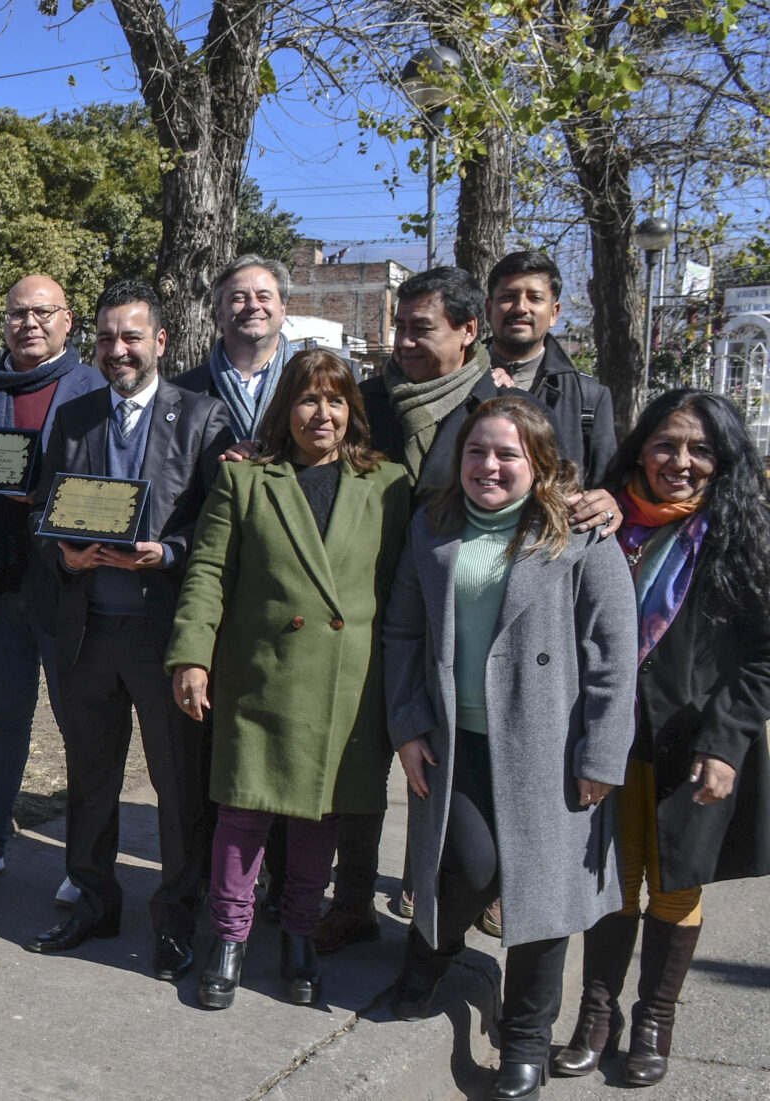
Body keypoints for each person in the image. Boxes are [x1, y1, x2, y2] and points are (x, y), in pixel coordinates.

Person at [321, 266, 624, 955]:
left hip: (468, 613)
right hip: (366, 608)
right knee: (365, 764)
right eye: (399, 327)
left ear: (467, 331)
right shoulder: (367, 401)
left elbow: (579, 481)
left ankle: (469, 897)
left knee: (463, 772)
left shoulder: (509, 405)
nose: (405, 341)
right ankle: (354, 898)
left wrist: (608, 501)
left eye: (421, 329)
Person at [382, 395, 637, 1100]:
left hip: (551, 748)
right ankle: (431, 952)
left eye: (507, 454)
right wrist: (407, 725)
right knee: (469, 864)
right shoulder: (433, 527)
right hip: (456, 741)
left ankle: (525, 1040)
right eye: (476, 451)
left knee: (542, 895)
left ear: (540, 464)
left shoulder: (580, 533)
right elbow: (402, 631)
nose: (488, 465)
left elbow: (615, 653)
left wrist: (601, 755)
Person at [166, 350, 411, 1010]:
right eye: (307, 399)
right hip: (260, 678)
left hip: (344, 684)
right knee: (241, 813)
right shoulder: (246, 478)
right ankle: (228, 939)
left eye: (335, 400)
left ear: (352, 411)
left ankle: (300, 935)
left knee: (316, 821)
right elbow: (208, 573)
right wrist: (192, 655)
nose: (321, 414)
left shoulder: (388, 483)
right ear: (285, 409)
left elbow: (400, 589)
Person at [553, 390, 770, 1087]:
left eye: (700, 449)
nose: (681, 461)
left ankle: (655, 1020)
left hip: (696, 742)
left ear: (723, 459)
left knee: (674, 882)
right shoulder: (605, 521)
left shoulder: (740, 534)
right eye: (666, 444)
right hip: (607, 737)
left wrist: (727, 742)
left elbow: (763, 656)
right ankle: (596, 1016)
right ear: (640, 448)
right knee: (613, 881)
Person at [24, 281, 232, 975]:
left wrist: (166, 553)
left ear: (160, 342)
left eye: (131, 336)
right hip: (89, 630)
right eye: (107, 337)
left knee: (178, 786)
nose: (117, 350)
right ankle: (92, 902)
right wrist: (64, 552)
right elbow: (42, 511)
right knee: (90, 780)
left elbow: (218, 525)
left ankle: (175, 919)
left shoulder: (202, 416)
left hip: (163, 633)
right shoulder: (75, 417)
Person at [0, 274, 106, 899]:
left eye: (42, 312)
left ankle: (85, 863)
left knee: (80, 726)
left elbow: (112, 480)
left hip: (70, 588)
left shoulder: (94, 387)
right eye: (17, 313)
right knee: (4, 720)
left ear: (67, 320)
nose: (29, 323)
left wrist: (42, 497)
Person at [484, 251, 617, 486]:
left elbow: (605, 486)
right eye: (508, 297)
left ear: (554, 313)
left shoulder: (588, 397)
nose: (520, 308)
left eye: (535, 298)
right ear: (488, 309)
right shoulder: (458, 381)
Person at [174, 254, 292, 446]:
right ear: (219, 315)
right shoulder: (181, 393)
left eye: (263, 297)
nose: (253, 305)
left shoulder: (314, 384)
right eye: (239, 298)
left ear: (282, 311)